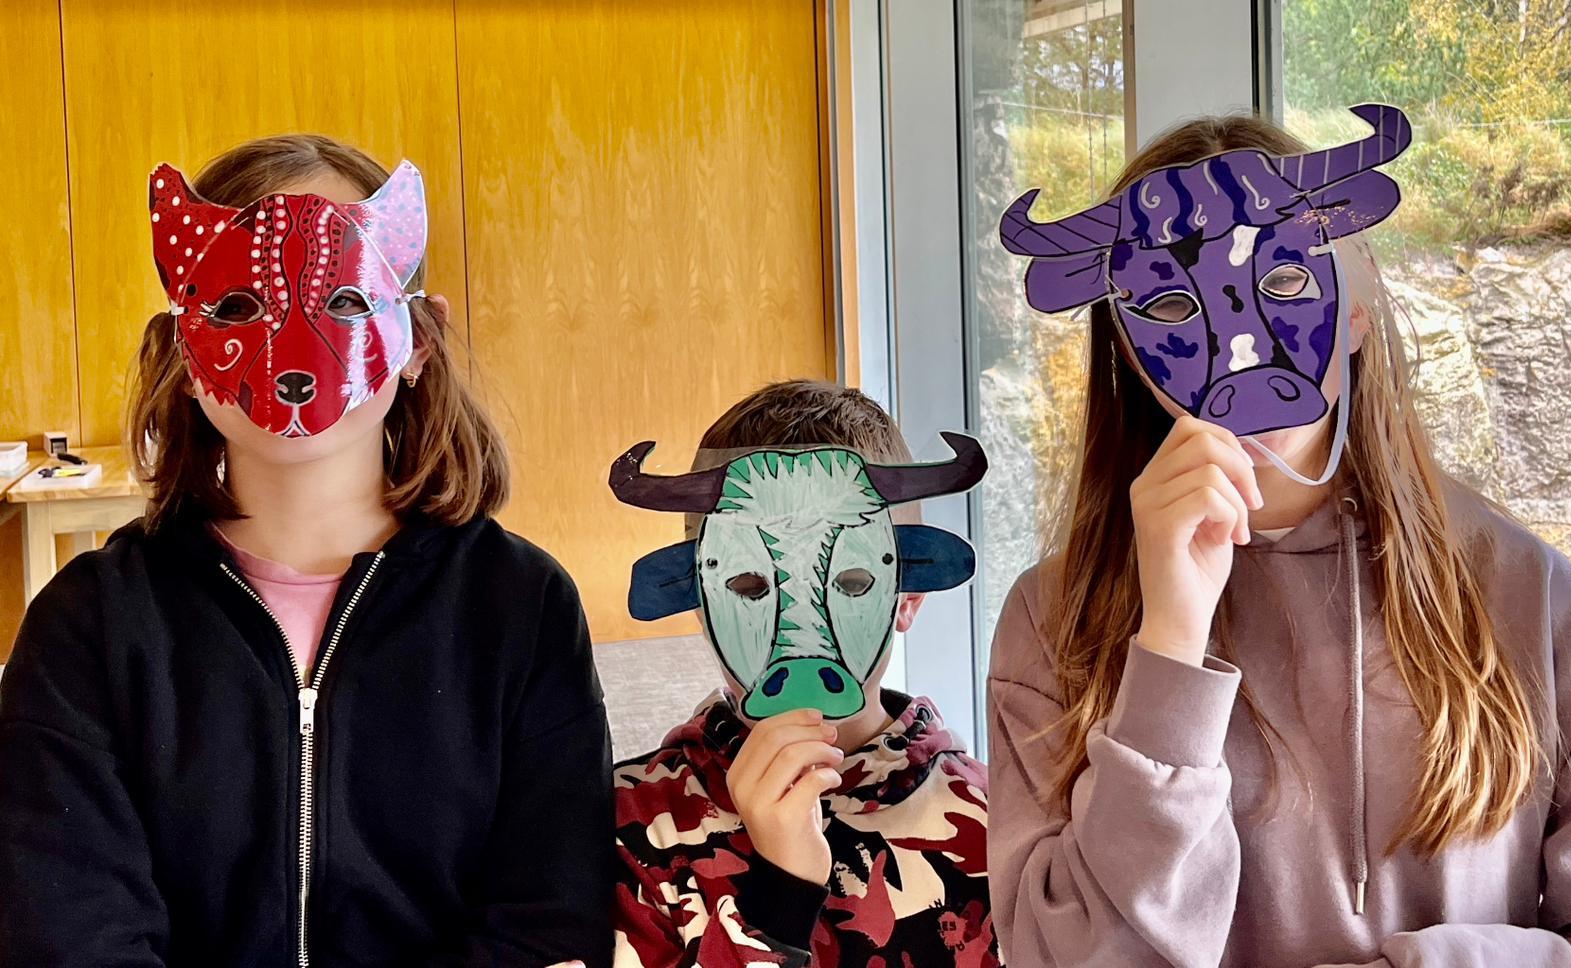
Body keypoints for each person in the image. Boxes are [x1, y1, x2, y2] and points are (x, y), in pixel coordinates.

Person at [987, 112, 1571, 966]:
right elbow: (1057, 955)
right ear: (1126, 348)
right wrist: (1167, 647)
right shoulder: (1055, 619)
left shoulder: (1528, 596)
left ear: (1356, 311)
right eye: (1170, 305)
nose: (1239, 352)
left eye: (1284, 287)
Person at [0, 135, 613, 967]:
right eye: (240, 307)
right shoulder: (89, 626)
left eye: (350, 303)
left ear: (418, 342)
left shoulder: (521, 604)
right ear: (185, 350)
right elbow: (69, 932)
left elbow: (547, 918)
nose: (291, 355)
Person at [612, 380, 1001, 967]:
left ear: (908, 594)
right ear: (698, 598)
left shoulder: (1001, 825)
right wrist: (779, 899)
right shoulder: (627, 828)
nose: (798, 642)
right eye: (746, 586)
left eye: (851, 583)